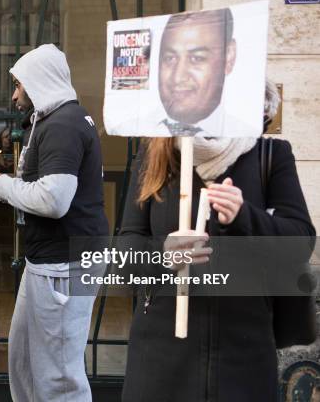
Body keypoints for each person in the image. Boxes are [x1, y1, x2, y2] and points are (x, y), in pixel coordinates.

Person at [118, 80, 316, 401]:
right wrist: (164, 254)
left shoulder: (270, 155)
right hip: (160, 360)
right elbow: (126, 258)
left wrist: (245, 216)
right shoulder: (155, 153)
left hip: (243, 358)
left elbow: (301, 241)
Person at [0, 44, 109, 402]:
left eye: (19, 85)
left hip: (64, 264)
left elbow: (53, 200)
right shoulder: (53, 120)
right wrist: (1, 180)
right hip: (47, 262)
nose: (15, 95)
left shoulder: (63, 125)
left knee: (58, 377)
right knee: (26, 361)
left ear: (38, 82)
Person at [115, 8, 258, 137]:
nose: (178, 77)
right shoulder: (134, 132)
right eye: (170, 58)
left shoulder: (246, 136)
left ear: (229, 57)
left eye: (197, 58)